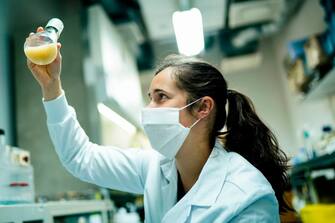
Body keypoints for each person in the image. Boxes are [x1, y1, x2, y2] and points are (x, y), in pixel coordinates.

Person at [27, 27, 290, 223]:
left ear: (203, 108)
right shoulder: (156, 167)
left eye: (161, 97)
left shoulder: (247, 196)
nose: (149, 110)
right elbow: (80, 158)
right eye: (150, 98)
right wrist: (51, 87)